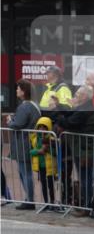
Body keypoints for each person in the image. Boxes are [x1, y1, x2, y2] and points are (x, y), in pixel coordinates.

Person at [64, 85, 94, 213]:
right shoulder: (83, 107)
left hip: (84, 149)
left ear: (84, 96)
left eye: (78, 93)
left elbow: (69, 122)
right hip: (81, 147)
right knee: (84, 177)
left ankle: (87, 206)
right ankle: (86, 205)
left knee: (85, 178)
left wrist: (57, 111)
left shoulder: (86, 108)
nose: (75, 95)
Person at [8, 79, 41, 208]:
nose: (16, 90)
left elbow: (18, 124)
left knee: (25, 172)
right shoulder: (33, 105)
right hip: (28, 141)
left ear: (24, 91)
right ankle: (29, 199)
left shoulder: (25, 106)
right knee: (25, 171)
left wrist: (10, 121)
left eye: (18, 88)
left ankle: (29, 200)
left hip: (23, 142)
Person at [29, 115, 57, 208]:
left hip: (49, 167)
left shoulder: (52, 139)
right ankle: (46, 202)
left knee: (50, 185)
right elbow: (30, 151)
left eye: (44, 127)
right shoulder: (34, 139)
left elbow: (55, 152)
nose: (41, 129)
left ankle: (52, 202)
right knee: (44, 185)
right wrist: (38, 151)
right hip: (40, 166)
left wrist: (48, 149)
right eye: (40, 127)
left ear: (48, 128)